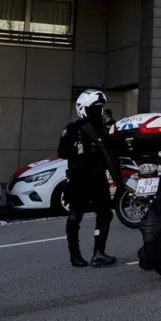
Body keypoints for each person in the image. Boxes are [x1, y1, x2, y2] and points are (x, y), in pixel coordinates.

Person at [58, 89, 122, 267]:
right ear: (84, 109)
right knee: (76, 215)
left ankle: (96, 253)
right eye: (95, 108)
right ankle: (78, 255)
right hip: (80, 177)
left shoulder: (102, 128)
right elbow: (63, 152)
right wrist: (83, 149)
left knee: (103, 214)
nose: (99, 111)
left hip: (96, 178)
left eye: (100, 108)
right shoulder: (74, 129)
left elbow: (114, 147)